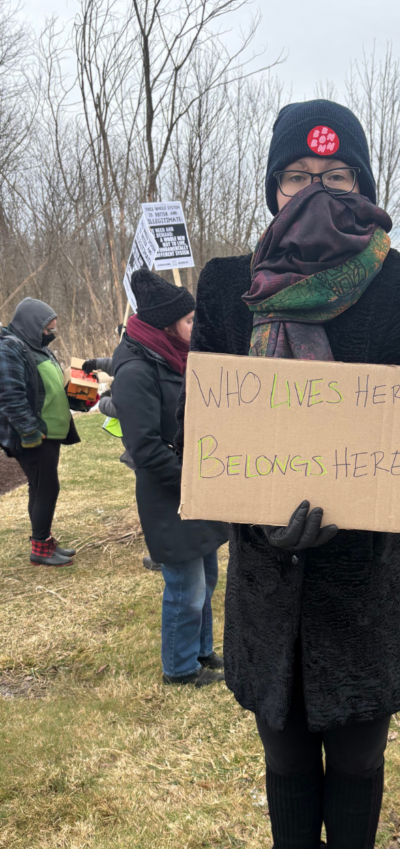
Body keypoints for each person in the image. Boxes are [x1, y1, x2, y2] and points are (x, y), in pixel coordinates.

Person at [177, 100, 400, 849]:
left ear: (365, 187)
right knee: (284, 746)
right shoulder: (223, 287)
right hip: (267, 575)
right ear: (271, 187)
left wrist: (353, 510)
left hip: (363, 574)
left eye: (338, 179)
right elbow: (207, 436)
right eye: (298, 178)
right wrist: (252, 516)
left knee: (359, 749)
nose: (317, 193)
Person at [111, 268, 228, 686]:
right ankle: (179, 669)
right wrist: (194, 479)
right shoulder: (136, 371)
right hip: (169, 494)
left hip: (196, 486)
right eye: (191, 320)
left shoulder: (172, 357)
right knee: (185, 585)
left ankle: (201, 650)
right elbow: (145, 449)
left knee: (207, 575)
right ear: (167, 324)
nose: (197, 326)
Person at [0, 298, 80, 566]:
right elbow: (10, 395)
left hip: (50, 434)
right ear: (32, 325)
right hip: (34, 436)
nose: (50, 336)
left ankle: (42, 541)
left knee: (40, 486)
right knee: (47, 487)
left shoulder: (34, 347)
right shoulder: (10, 348)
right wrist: (29, 431)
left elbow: (47, 386)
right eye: (47, 330)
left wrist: (78, 396)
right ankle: (40, 548)